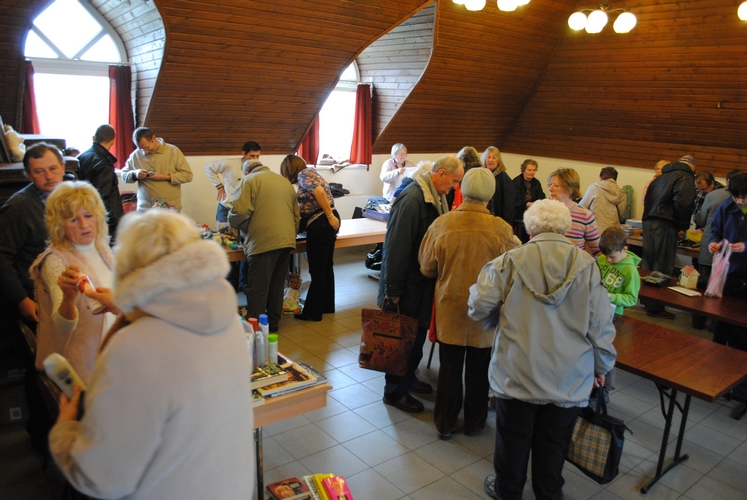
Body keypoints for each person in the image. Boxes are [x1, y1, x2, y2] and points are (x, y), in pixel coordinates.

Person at [48, 210, 254, 499]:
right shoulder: (229, 322)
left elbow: (103, 478)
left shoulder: (134, 347)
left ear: (130, 268)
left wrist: (65, 431)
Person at [468, 199, 617, 500]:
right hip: (568, 376)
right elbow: (600, 324)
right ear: (565, 228)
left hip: (517, 370)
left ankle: (508, 491)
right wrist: (601, 367)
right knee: (554, 444)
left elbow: (478, 306)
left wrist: (498, 320)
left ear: (530, 228)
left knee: (512, 440)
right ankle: (548, 493)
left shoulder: (509, 261)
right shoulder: (587, 266)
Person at [418, 167, 518, 439]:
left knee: (449, 369)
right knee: (480, 369)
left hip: (450, 306)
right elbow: (511, 274)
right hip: (486, 309)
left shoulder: (442, 223)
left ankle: (445, 423)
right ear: (489, 194)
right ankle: (474, 423)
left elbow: (427, 267)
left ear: (463, 189)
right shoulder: (502, 229)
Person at [378, 155, 464, 413]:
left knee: (415, 339)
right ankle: (395, 392)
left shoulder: (434, 196)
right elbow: (396, 249)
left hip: (419, 285)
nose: (455, 187)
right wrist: (393, 292)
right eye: (454, 181)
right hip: (406, 287)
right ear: (440, 173)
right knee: (402, 341)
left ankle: (408, 378)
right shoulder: (412, 200)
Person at [31, 182, 118, 384]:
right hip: (83, 366)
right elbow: (62, 325)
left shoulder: (102, 248)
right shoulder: (55, 261)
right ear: (59, 225)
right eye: (73, 219)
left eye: (88, 216)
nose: (84, 225)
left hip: (114, 354)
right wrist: (68, 300)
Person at [229, 159, 299, 332]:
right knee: (277, 286)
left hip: (263, 242)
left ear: (247, 172)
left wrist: (236, 225)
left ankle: (256, 328)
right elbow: (296, 216)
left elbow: (239, 212)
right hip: (286, 241)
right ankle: (273, 324)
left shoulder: (248, 181)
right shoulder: (284, 182)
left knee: (258, 288)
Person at [0, 143, 66, 323]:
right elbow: (2, 256)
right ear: (29, 175)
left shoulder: (72, 196)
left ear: (63, 167)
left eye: (53, 168)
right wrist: (21, 299)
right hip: (37, 297)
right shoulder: (19, 208)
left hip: (68, 289)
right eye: (39, 171)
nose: (49, 176)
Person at [280, 155, 340, 321]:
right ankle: (327, 306)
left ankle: (313, 313)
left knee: (317, 270)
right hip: (326, 222)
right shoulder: (313, 173)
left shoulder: (303, 175)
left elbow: (319, 192)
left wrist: (329, 216)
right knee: (326, 267)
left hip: (321, 223)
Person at [707, 172, 747, 400]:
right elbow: (716, 230)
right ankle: (718, 379)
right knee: (721, 326)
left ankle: (741, 387)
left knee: (742, 334)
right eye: (736, 197)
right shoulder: (726, 206)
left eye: (744, 197)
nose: (740, 201)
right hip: (728, 276)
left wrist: (746, 246)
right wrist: (713, 242)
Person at [641, 159, 696, 318]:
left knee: (648, 262)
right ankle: (656, 306)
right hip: (665, 223)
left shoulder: (660, 178)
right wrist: (682, 226)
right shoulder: (685, 177)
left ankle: (646, 300)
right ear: (692, 167)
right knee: (662, 263)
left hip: (648, 221)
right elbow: (683, 204)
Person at [204, 141, 262, 290]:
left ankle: (244, 282)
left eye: (257, 156)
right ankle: (231, 282)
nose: (255, 159)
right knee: (225, 245)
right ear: (243, 154)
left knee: (245, 245)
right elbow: (209, 167)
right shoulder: (230, 164)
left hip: (245, 210)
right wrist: (219, 186)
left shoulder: (258, 169)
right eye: (252, 156)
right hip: (226, 208)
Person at [120, 127, 193, 211]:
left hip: (169, 208)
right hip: (144, 209)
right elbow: (124, 175)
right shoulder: (136, 155)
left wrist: (165, 177)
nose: (145, 152)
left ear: (153, 138)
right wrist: (135, 174)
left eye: (147, 147)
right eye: (141, 149)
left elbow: (188, 175)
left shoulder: (173, 151)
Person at [76, 124, 125, 241]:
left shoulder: (81, 157)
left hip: (82, 212)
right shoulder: (104, 164)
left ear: (94, 138)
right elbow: (103, 197)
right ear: (112, 141)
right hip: (103, 221)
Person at [548, 168, 600, 255]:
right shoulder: (544, 212)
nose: (550, 189)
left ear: (570, 189)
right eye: (550, 185)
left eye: (556, 186)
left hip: (574, 262)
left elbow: (597, 250)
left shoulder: (585, 215)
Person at [598, 226, 641, 316]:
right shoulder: (601, 259)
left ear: (624, 249)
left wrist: (611, 297)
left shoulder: (630, 271)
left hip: (613, 312)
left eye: (612, 257)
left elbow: (631, 299)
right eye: (605, 255)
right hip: (596, 306)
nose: (608, 259)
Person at [578, 166, 627, 236]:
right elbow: (622, 216)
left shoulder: (594, 188)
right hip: (614, 234)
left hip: (596, 231)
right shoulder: (622, 193)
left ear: (600, 178)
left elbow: (581, 208)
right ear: (615, 180)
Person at [512, 159, 545, 242]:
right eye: (529, 170)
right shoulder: (516, 182)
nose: (532, 172)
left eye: (534, 170)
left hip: (533, 211)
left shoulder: (536, 182)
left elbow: (541, 196)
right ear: (523, 170)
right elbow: (515, 200)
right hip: (519, 211)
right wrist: (527, 204)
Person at [482, 146, 515, 226]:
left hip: (498, 218)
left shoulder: (504, 177)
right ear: (484, 159)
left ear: (498, 161)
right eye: (488, 157)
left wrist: (506, 223)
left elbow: (508, 203)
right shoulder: (481, 175)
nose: (491, 160)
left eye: (494, 158)